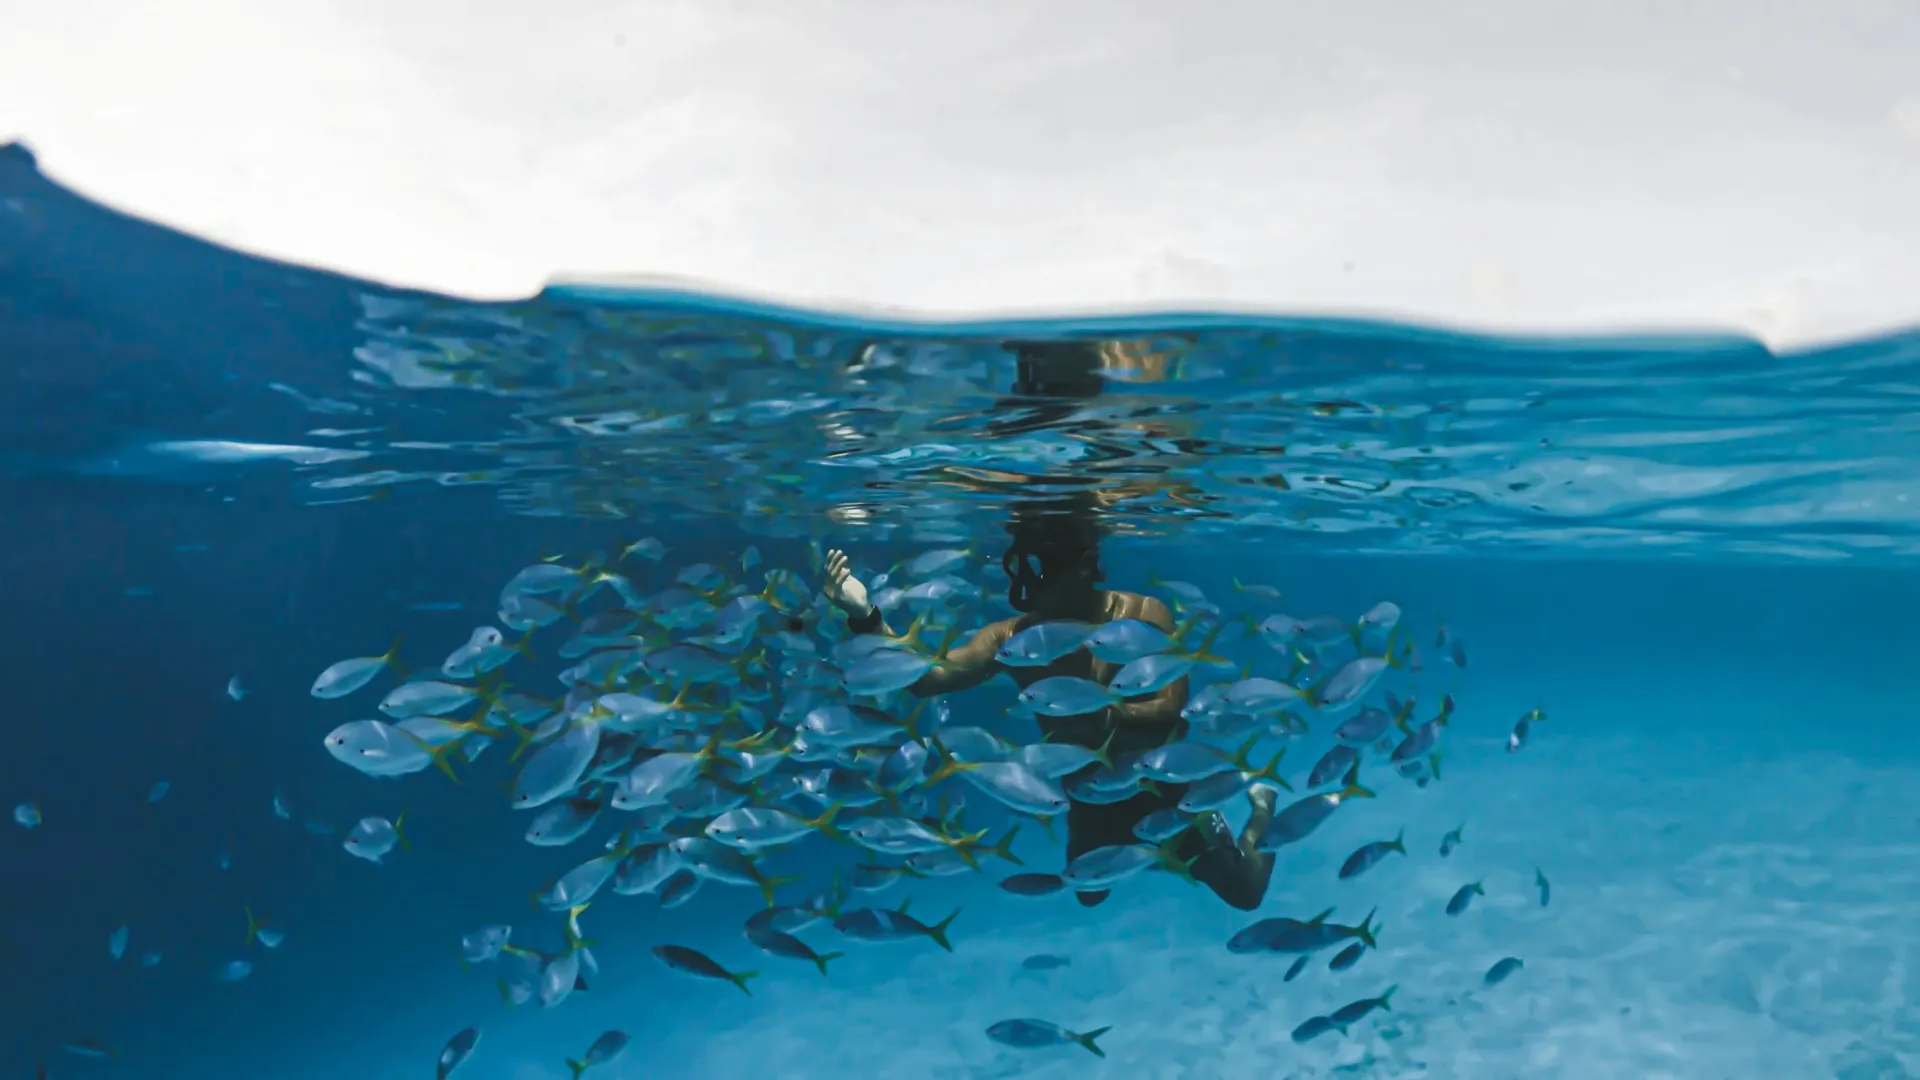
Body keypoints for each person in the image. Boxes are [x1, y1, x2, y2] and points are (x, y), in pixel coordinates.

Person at [822, 496, 1277, 912]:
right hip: (1088, 796)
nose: (1032, 582)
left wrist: (1102, 716)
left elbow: (1170, 709)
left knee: (1245, 893)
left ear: (1083, 567)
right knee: (1089, 893)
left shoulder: (1143, 615)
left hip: (1167, 793)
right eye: (1030, 565)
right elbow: (931, 678)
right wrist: (865, 615)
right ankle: (1155, 855)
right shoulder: (1014, 637)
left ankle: (1261, 810)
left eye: (1045, 568)